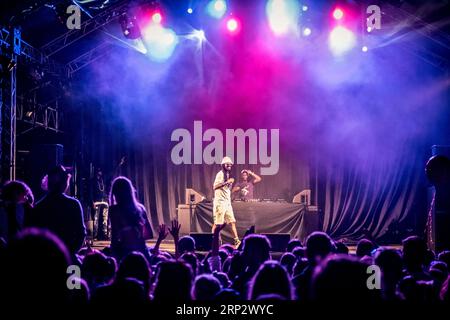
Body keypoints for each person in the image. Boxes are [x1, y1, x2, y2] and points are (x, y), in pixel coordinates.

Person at [26, 165, 86, 257]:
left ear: (48, 183)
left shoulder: (39, 206)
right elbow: (81, 233)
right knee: (76, 271)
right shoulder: (73, 204)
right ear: (65, 182)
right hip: (68, 256)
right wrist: (70, 253)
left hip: (45, 258)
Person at [108, 176, 153, 262]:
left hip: (124, 254)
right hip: (142, 253)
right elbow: (149, 234)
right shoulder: (140, 208)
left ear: (115, 193)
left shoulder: (114, 210)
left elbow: (114, 238)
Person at [212, 156, 240, 247]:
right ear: (223, 165)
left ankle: (236, 240)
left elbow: (227, 189)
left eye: (230, 164)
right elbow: (215, 187)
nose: (229, 165)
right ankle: (215, 240)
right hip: (220, 202)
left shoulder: (228, 175)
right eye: (227, 164)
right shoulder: (220, 174)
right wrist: (227, 182)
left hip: (227, 203)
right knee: (218, 223)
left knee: (232, 221)